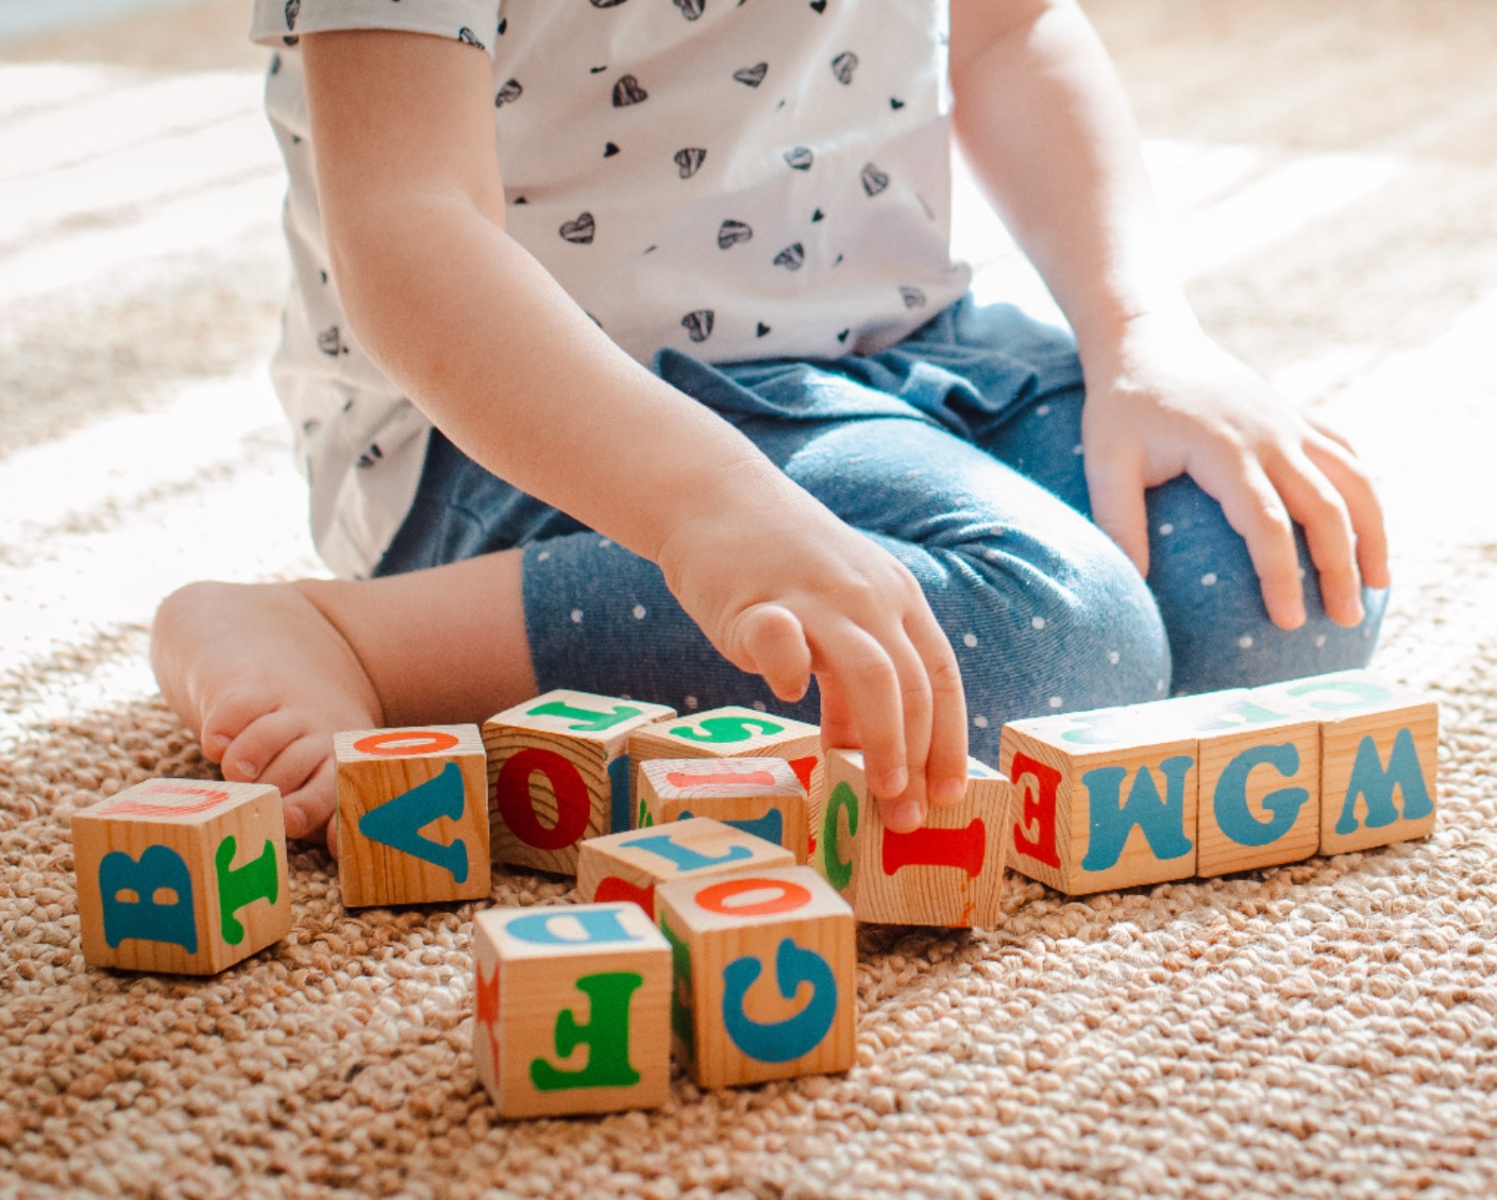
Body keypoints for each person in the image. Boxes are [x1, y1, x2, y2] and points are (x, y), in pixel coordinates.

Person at [150, 0, 1389, 853]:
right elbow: (410, 227)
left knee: (1275, 579)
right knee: (1059, 644)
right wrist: (710, 513)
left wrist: (1143, 336)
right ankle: (353, 634)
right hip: (561, 420)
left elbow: (1012, 35)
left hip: (896, 350)